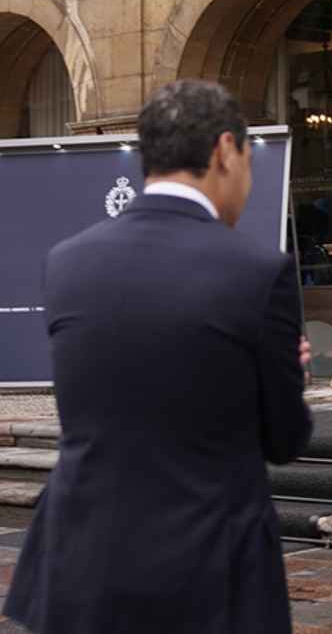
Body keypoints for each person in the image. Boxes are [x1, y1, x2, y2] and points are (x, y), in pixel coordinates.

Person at [3, 79, 313, 634]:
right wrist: (287, 371)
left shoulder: (67, 261)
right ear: (225, 150)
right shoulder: (258, 271)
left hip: (80, 558)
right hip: (208, 563)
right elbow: (284, 438)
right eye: (246, 157)